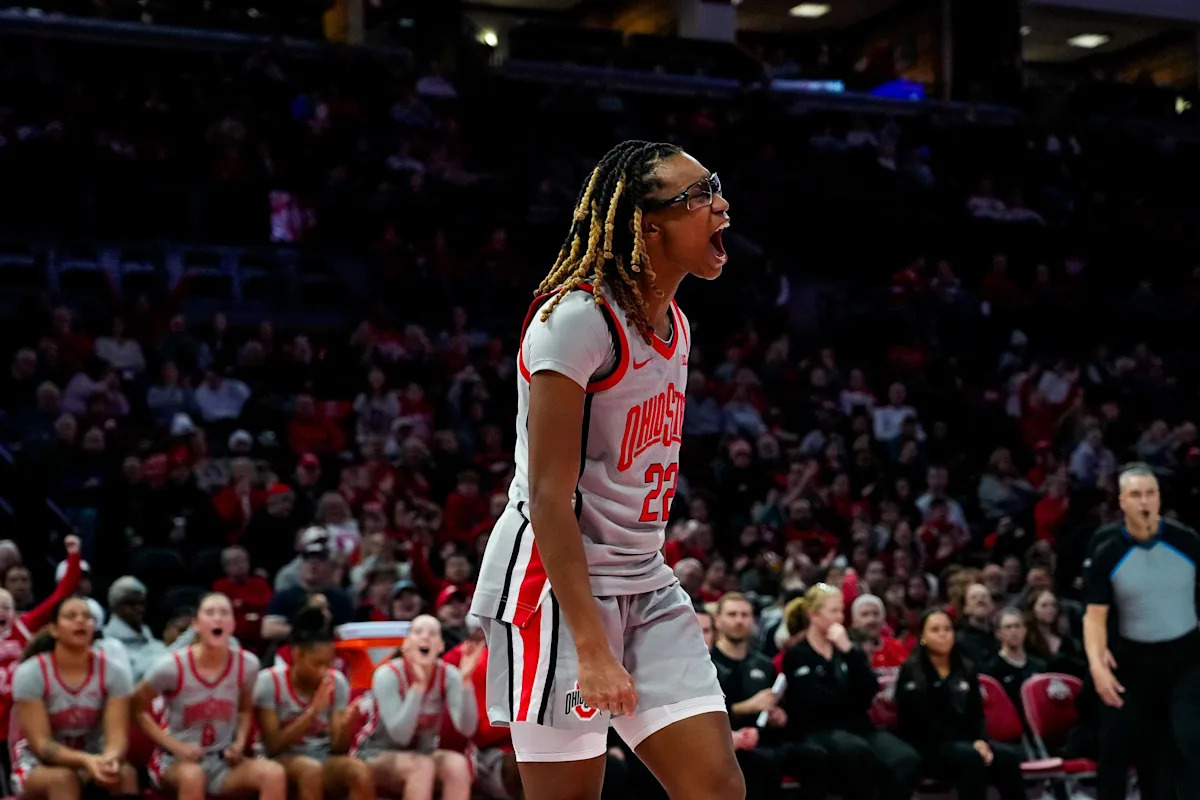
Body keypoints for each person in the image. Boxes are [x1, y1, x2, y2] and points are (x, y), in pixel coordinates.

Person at [469, 140, 742, 800]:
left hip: (642, 576)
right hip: (556, 586)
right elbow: (547, 496)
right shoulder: (575, 321)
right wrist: (592, 648)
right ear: (647, 226)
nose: (722, 206)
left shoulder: (676, 325)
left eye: (716, 186)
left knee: (716, 788)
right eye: (700, 196)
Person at [1084, 463, 1200, 800]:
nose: (1145, 501)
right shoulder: (1107, 549)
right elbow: (1094, 616)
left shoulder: (1187, 540)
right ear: (1122, 501)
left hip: (1187, 656)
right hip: (1134, 659)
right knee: (1141, 748)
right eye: (1136, 495)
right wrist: (1097, 665)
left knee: (1190, 738)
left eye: (1151, 493)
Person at [134, 593, 285, 800]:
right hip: (175, 761)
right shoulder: (170, 666)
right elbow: (137, 709)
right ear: (196, 624)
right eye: (210, 613)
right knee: (193, 776)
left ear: (232, 624)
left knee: (273, 774)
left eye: (224, 613)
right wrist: (177, 747)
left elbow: (244, 710)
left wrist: (239, 744)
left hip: (220, 761)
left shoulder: (248, 665)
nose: (217, 618)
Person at [780, 583, 920, 800]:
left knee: (906, 759)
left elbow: (870, 689)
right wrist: (852, 698)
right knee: (857, 753)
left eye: (841, 611)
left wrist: (848, 650)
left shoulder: (848, 649)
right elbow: (812, 701)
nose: (840, 617)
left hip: (860, 727)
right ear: (814, 615)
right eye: (833, 611)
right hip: (819, 729)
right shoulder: (798, 654)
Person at [10, 596, 138, 799]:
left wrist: (110, 758)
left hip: (94, 758)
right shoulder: (30, 673)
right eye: (71, 616)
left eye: (87, 617)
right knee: (63, 779)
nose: (80, 621)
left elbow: (117, 737)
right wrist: (85, 761)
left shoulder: (115, 672)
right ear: (54, 629)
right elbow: (43, 746)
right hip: (37, 763)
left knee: (124, 774)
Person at [895, 609, 1024, 800]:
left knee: (1007, 758)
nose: (943, 634)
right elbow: (919, 723)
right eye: (935, 630)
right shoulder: (911, 671)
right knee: (971, 757)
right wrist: (970, 743)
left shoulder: (966, 668)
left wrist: (981, 741)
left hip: (964, 742)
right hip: (927, 745)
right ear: (923, 637)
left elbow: (976, 714)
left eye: (947, 629)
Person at [711, 593, 828, 800]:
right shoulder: (708, 664)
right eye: (732, 614)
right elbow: (708, 716)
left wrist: (780, 716)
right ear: (718, 620)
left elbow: (784, 707)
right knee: (762, 763)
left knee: (815, 756)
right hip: (727, 742)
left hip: (767, 738)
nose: (739, 620)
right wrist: (747, 707)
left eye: (745, 615)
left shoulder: (764, 663)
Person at [354, 614, 480, 800]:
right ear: (406, 644)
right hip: (374, 753)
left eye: (432, 633)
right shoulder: (387, 675)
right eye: (418, 632)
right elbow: (401, 736)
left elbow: (468, 729)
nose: (425, 637)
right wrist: (418, 687)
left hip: (422, 752)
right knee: (422, 766)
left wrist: (466, 682)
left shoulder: (450, 675)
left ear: (440, 646)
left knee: (457, 765)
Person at [253, 609, 372, 800]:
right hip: (279, 760)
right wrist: (313, 710)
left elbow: (338, 749)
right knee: (311, 770)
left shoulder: (337, 682)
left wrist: (349, 723)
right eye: (317, 664)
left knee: (360, 771)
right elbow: (273, 746)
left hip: (323, 756)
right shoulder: (269, 682)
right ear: (297, 654)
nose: (324, 671)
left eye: (328, 664)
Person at [0, 536, 83, 762]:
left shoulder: (25, 624)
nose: (1, 612)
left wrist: (74, 557)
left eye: (6, 607)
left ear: (13, 610)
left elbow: (61, 595)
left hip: (20, 712)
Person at [982, 607, 1047, 713]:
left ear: (1025, 630)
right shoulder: (990, 669)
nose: (1014, 631)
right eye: (1008, 627)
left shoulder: (1040, 666)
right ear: (998, 633)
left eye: (1017, 626)